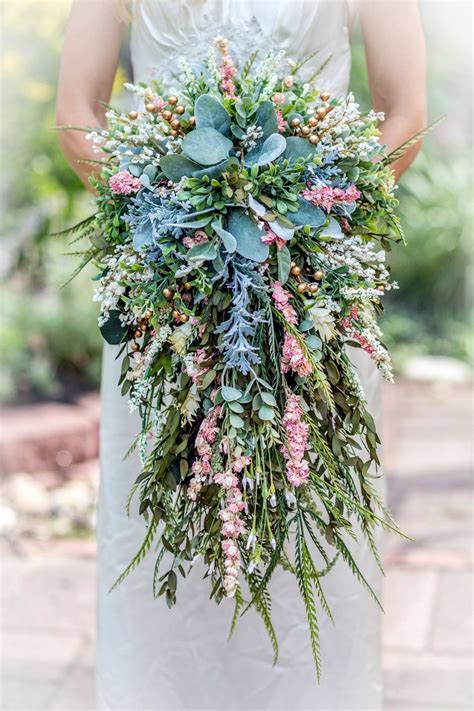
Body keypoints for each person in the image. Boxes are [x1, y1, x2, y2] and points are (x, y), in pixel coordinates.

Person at [56, 2, 426, 709]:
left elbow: (404, 110)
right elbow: (77, 110)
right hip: (166, 302)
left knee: (306, 535)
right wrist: (168, 229)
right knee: (165, 520)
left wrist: (303, 224)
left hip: (308, 291)